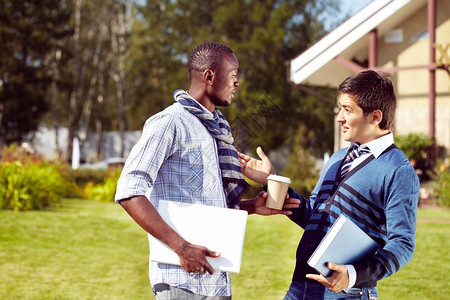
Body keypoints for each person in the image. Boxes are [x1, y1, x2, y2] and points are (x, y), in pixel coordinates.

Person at [114, 41, 300, 299]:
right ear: (209, 76)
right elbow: (129, 191)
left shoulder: (218, 130)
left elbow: (206, 200)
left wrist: (251, 207)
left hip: (217, 280)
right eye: (233, 75)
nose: (237, 83)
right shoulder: (169, 123)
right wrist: (182, 248)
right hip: (180, 280)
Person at [239, 70, 420, 300]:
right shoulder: (338, 158)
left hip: (347, 294)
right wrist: (271, 180)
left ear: (375, 117)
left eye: (348, 109)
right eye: (340, 108)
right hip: (300, 287)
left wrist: (352, 274)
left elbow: (402, 244)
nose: (339, 118)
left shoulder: (397, 170)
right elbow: (313, 214)